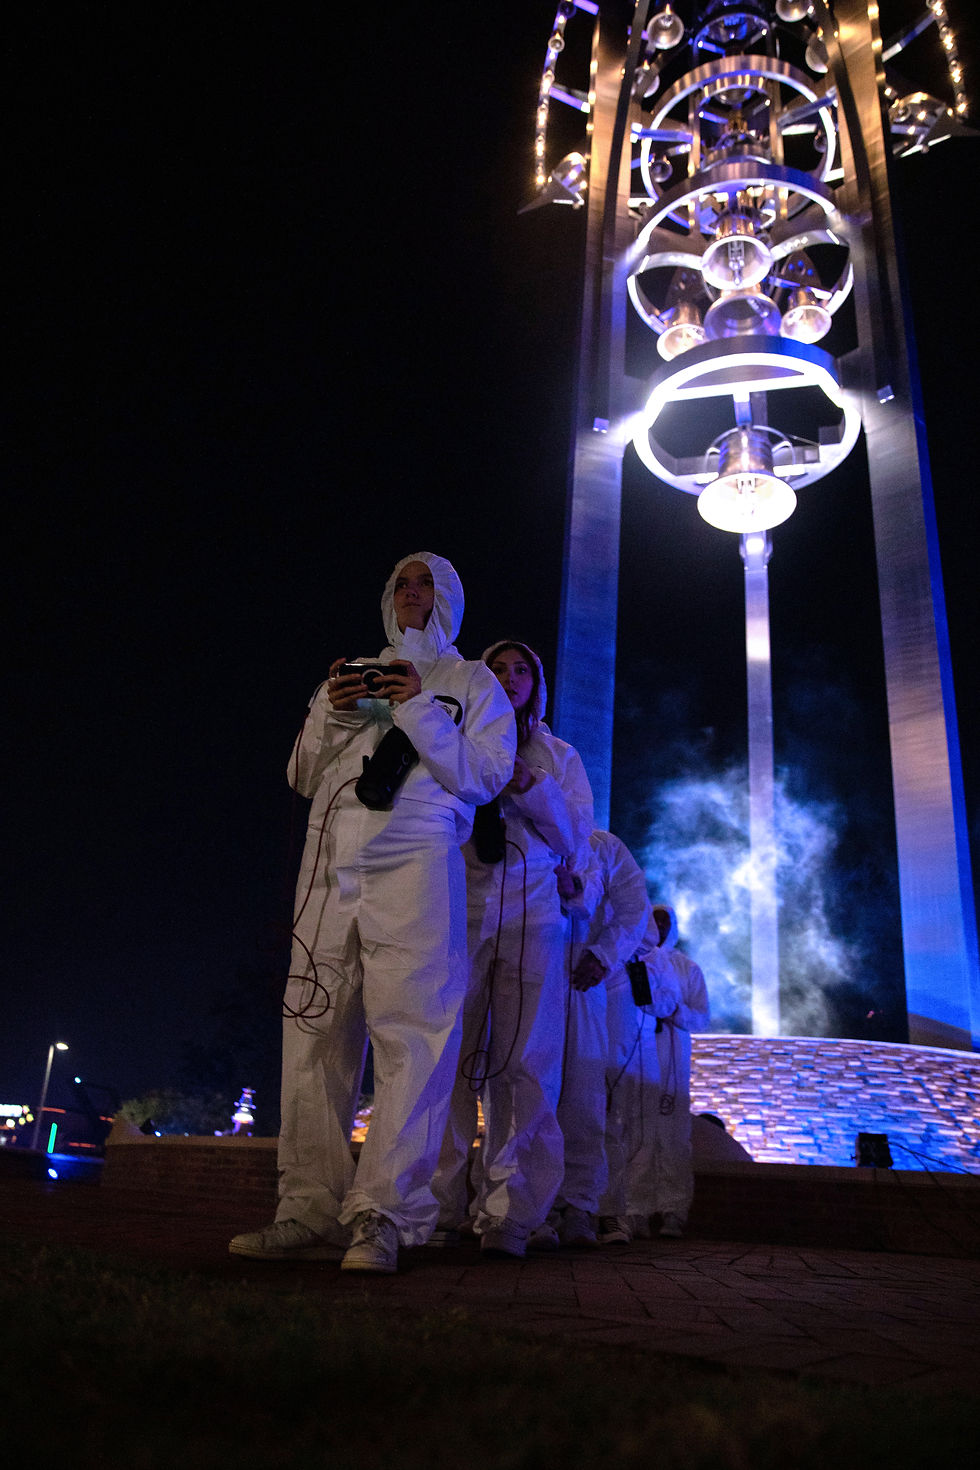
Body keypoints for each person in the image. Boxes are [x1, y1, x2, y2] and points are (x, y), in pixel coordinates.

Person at [229, 553, 516, 1273]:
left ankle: (382, 1213)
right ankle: (307, 1206)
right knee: (312, 1031)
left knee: (410, 1034)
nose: (411, 594)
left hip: (416, 861)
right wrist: (330, 710)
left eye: (425, 585)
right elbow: (300, 775)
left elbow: (484, 776)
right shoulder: (354, 673)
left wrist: (418, 704)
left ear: (448, 598)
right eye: (401, 585)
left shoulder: (470, 682)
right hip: (330, 868)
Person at [431, 640, 594, 1259]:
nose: (509, 677)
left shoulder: (559, 756)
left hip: (533, 912)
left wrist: (531, 785)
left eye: (521, 669)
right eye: (496, 668)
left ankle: (511, 1212)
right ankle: (437, 1204)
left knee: (525, 1061)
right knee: (450, 1056)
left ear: (538, 683)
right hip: (463, 904)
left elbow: (580, 835)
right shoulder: (455, 736)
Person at [537, 829, 650, 1250]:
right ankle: (524, 1205)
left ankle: (578, 1205)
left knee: (583, 1093)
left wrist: (603, 956)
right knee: (524, 1087)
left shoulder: (603, 846)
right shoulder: (520, 829)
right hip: (527, 967)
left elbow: (633, 907)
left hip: (584, 973)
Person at [619, 903, 710, 1239]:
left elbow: (701, 1017)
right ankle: (635, 1209)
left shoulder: (687, 969)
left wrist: (672, 1010)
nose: (657, 926)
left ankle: (673, 1211)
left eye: (663, 921)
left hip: (671, 1059)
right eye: (652, 920)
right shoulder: (631, 960)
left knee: (673, 1138)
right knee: (637, 1133)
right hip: (639, 1057)